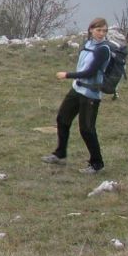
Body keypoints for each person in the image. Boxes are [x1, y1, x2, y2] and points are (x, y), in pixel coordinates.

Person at [44, 17, 112, 173]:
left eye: (104, 31)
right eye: (98, 30)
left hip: (91, 94)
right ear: (91, 29)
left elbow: (90, 72)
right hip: (77, 89)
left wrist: (67, 75)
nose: (101, 34)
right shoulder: (87, 44)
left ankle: (97, 164)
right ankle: (60, 155)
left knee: (87, 129)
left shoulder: (103, 49)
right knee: (62, 119)